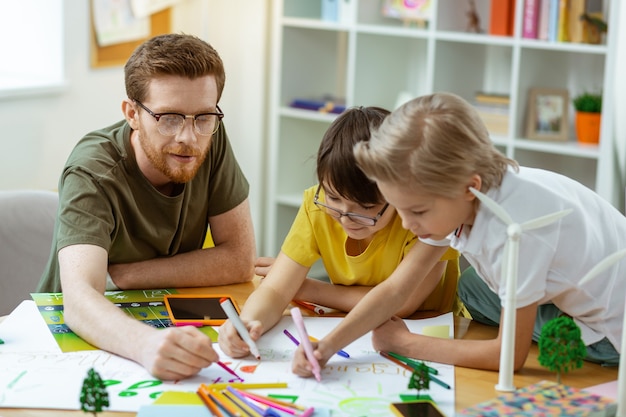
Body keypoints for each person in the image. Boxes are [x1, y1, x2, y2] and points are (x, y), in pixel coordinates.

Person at [290, 92, 626, 378]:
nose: (406, 224)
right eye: (399, 208)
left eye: (417, 212)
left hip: (614, 330)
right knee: (472, 289)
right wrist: (329, 344)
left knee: (517, 322)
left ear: (470, 187)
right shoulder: (457, 195)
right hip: (578, 273)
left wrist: (405, 343)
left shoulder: (516, 233)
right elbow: (395, 289)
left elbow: (509, 357)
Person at [36, 34, 256, 380]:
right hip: (76, 339)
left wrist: (124, 274)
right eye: (169, 118)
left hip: (161, 311)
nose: (188, 137)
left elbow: (240, 259)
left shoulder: (209, 136)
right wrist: (146, 345)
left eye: (203, 117)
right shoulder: (90, 171)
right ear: (132, 114)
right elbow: (79, 300)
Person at [219, 106, 465, 359]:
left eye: (366, 207)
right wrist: (247, 323)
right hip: (355, 327)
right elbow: (274, 290)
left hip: (434, 331)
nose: (345, 216)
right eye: (333, 197)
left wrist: (306, 288)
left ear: (397, 193)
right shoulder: (316, 207)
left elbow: (403, 303)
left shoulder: (421, 217)